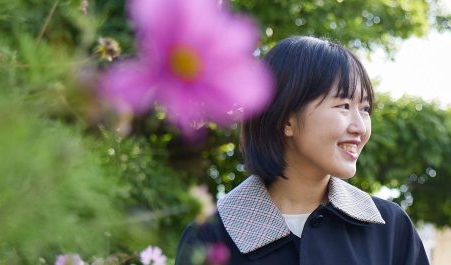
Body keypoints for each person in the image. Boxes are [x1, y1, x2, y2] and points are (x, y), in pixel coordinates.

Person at [176, 36, 429, 265]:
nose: (360, 127)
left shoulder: (390, 229)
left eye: (364, 109)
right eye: (343, 105)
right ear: (286, 120)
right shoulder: (211, 237)